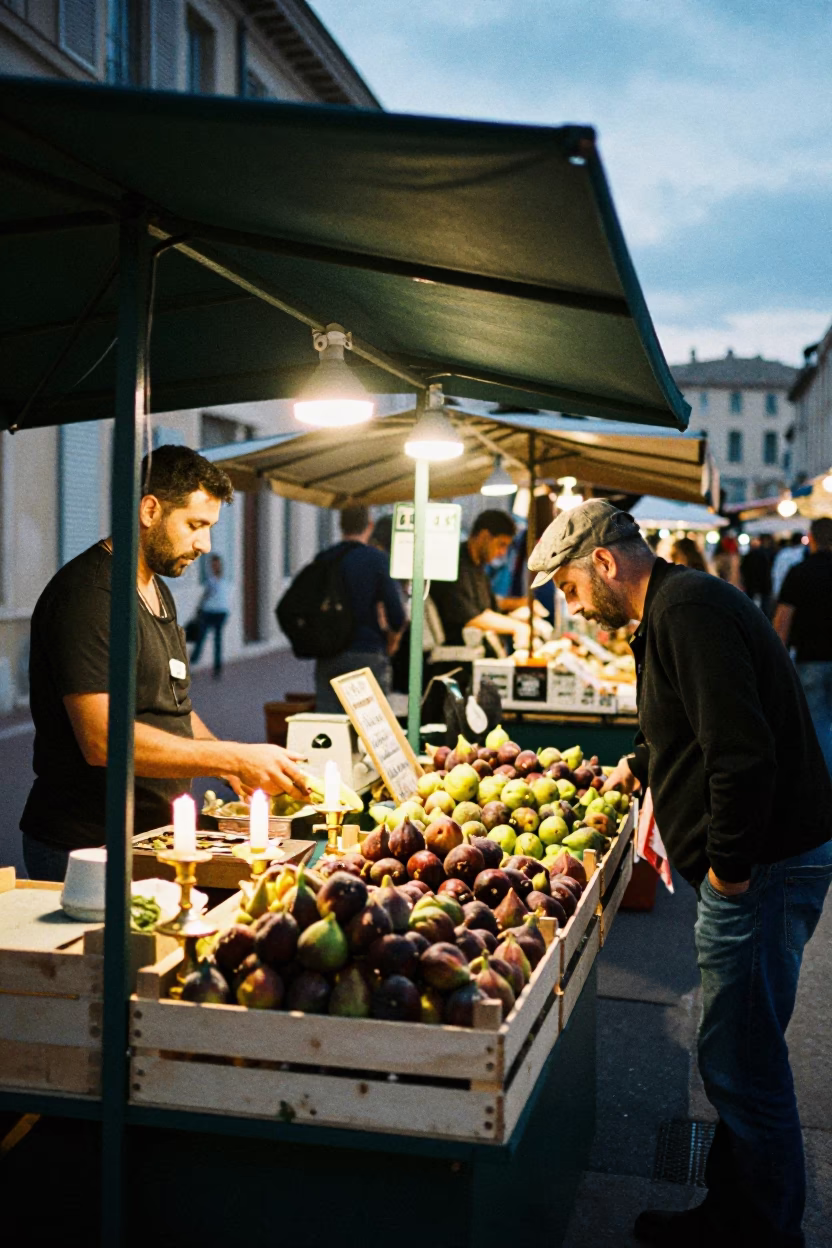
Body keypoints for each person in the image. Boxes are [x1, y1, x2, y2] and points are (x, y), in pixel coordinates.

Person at [528, 498, 832, 1248]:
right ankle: (732, 1213)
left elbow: (739, 749)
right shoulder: (669, 610)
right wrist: (638, 765)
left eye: (568, 587)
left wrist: (728, 868)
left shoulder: (687, 610)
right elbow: (682, 723)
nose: (571, 605)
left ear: (603, 562)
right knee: (733, 1052)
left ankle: (764, 1231)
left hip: (762, 868)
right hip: (765, 864)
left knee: (743, 1060)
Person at [21, 445, 307, 882]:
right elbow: (101, 739)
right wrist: (230, 759)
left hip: (150, 838)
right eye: (195, 524)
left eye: (209, 527)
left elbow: (174, 706)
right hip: (86, 847)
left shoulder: (156, 587)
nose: (205, 544)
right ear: (150, 510)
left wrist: (241, 770)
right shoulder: (91, 597)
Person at [313, 505, 405, 713]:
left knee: (330, 729)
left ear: (340, 525)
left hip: (329, 655)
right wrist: (392, 637)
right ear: (370, 526)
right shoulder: (377, 560)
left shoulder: (324, 558)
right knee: (371, 726)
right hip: (368, 652)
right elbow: (397, 615)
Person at [773, 517, 832, 775]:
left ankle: (826, 782)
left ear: (812, 539)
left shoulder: (799, 572)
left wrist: (775, 662)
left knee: (817, 723)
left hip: (810, 659)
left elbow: (782, 622)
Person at [429, 509, 531, 652]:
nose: (503, 552)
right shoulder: (453, 564)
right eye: (501, 544)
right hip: (454, 658)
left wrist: (521, 614)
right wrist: (517, 627)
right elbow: (470, 617)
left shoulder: (479, 568)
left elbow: (490, 608)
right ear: (484, 537)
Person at [189, 553, 231, 678]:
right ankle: (192, 664)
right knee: (201, 638)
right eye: (213, 564)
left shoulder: (223, 579)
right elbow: (205, 596)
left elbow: (216, 595)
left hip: (220, 612)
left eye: (216, 564)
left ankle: (217, 669)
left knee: (217, 641)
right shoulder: (210, 579)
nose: (214, 566)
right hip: (208, 612)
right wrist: (199, 609)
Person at [740, 535, 773, 614]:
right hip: (763, 584)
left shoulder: (748, 556)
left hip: (751, 584)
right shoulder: (765, 554)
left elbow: (743, 569)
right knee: (765, 607)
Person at [771, 531, 806, 601]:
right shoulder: (804, 553)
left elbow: (776, 573)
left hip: (783, 590)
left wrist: (776, 591)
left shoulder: (783, 554)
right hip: (800, 592)